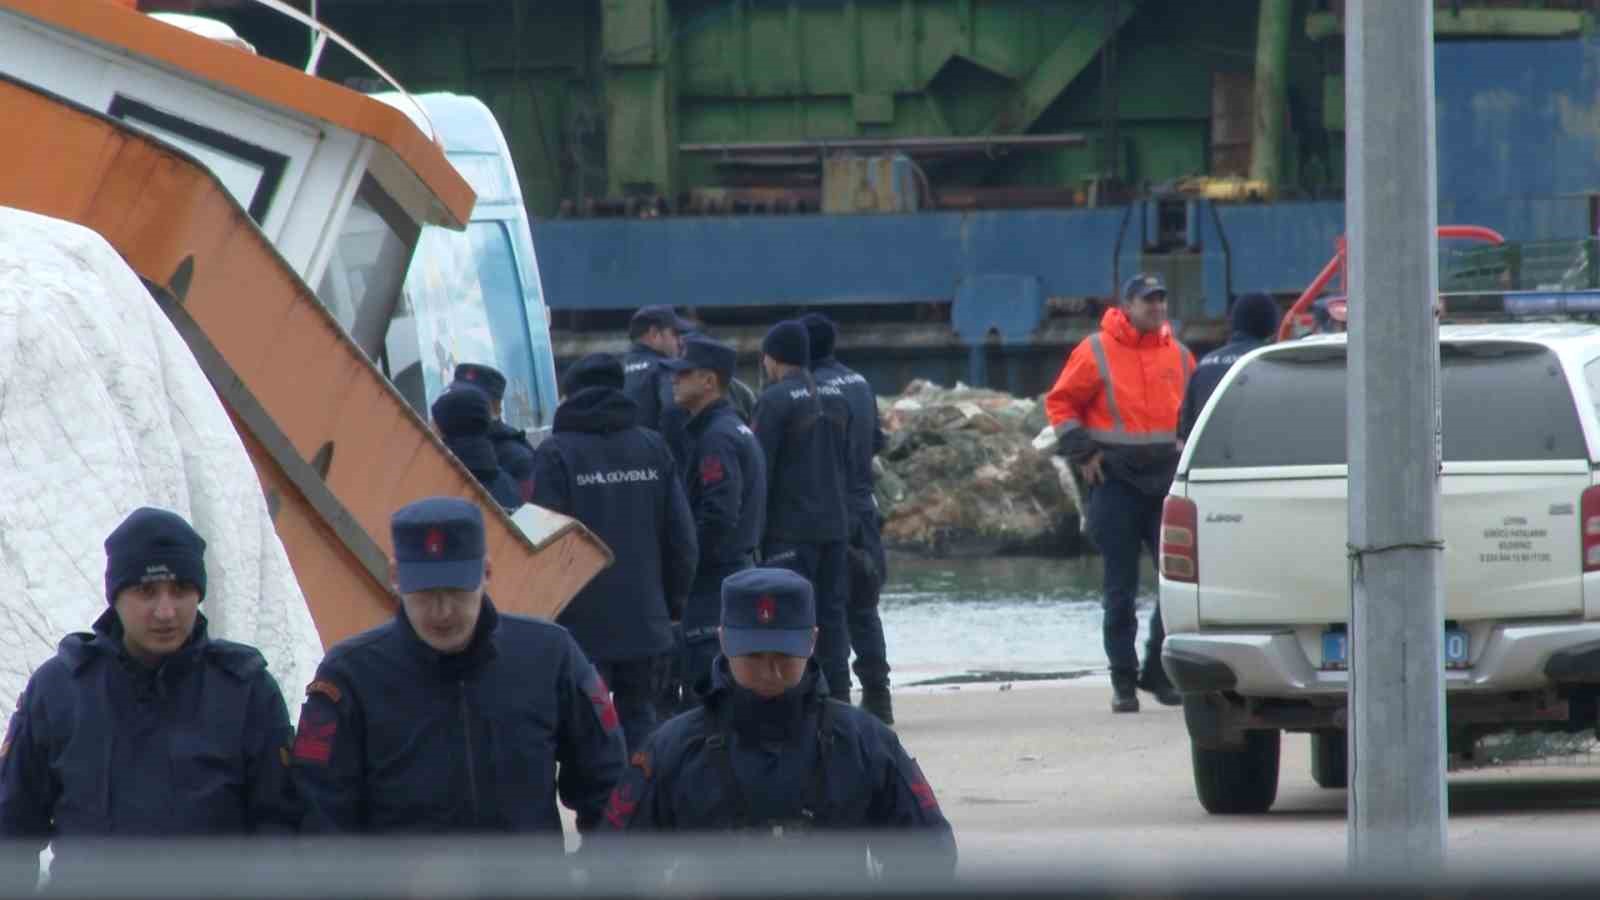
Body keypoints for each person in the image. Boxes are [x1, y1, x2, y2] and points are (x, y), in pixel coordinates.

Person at [290, 497, 625, 835]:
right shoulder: (349, 676)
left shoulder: (551, 657)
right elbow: (319, 813)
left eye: (456, 591)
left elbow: (607, 782)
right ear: (395, 577)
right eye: (425, 594)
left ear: (487, 572)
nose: (442, 611)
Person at [0, 508, 299, 886]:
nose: (165, 611)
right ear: (116, 597)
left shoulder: (245, 692)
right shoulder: (61, 690)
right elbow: (12, 830)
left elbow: (280, 830)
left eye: (180, 590)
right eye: (147, 591)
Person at [600, 567, 956, 878]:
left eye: (784, 656)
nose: (769, 672)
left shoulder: (866, 742)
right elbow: (613, 860)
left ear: (812, 641)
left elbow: (932, 852)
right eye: (753, 656)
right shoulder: (670, 750)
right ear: (723, 640)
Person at [1045, 274, 1195, 713]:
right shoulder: (1095, 351)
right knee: (1120, 587)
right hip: (1114, 483)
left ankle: (1157, 673)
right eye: (1149, 301)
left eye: (1161, 300)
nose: (1157, 307)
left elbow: (1195, 411)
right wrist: (1083, 452)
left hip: (1165, 482)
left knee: (1175, 585)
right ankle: (1124, 681)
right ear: (1126, 306)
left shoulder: (1181, 356)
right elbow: (1061, 404)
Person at [533, 354, 697, 750]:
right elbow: (682, 539)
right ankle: (644, 805)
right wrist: (671, 605)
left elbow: (541, 541)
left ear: (570, 395)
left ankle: (602, 810)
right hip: (646, 618)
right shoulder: (652, 446)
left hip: (579, 625)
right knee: (643, 721)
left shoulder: (556, 453)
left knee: (589, 729)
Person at [662, 336, 767, 705]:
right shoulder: (733, 428)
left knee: (707, 688)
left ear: (709, 381)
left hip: (713, 581)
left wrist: (686, 564)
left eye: (683, 374)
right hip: (737, 569)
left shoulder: (716, 438)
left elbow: (719, 516)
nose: (674, 380)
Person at [751, 321, 853, 702]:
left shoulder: (774, 400)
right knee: (832, 618)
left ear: (773, 359)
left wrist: (754, 535)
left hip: (790, 531)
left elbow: (761, 469)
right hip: (836, 528)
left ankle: (797, 698)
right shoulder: (836, 397)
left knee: (789, 620)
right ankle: (839, 698)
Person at [800, 313, 893, 725]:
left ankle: (831, 695)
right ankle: (878, 693)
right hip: (864, 507)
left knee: (828, 608)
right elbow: (877, 441)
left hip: (827, 511)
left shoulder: (806, 390)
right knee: (864, 604)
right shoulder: (859, 382)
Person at [1177, 292, 1278, 443]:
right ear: (1270, 325)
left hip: (1211, 460)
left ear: (1235, 322)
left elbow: (1187, 427)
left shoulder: (1205, 364)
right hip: (1259, 457)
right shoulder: (1272, 362)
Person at [452, 362, 536, 502]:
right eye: (457, 396)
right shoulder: (448, 441)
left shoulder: (518, 457)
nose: (460, 404)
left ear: (496, 408)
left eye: (472, 399)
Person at [431, 386, 523, 513]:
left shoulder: (433, 486)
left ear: (444, 429)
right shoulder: (509, 484)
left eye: (434, 423)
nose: (430, 428)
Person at [623, 305, 693, 434]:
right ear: (654, 333)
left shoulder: (617, 369)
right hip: (655, 450)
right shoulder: (664, 367)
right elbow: (673, 410)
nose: (680, 342)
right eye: (675, 334)